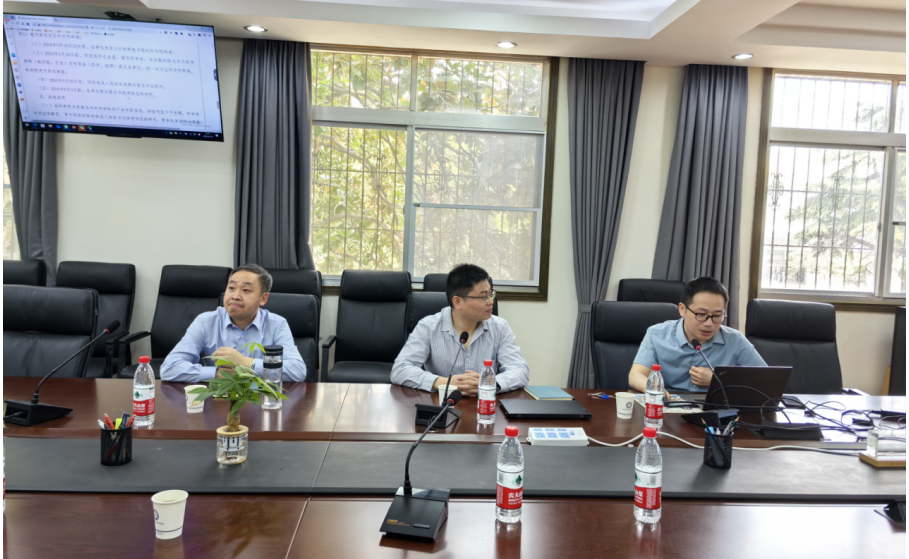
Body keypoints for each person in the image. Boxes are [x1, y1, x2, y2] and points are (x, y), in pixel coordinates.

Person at [391, 264, 529, 396]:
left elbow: (520, 370)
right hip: (440, 404)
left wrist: (489, 383)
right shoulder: (428, 327)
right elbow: (400, 369)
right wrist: (445, 383)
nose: (491, 301)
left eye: (491, 293)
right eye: (483, 296)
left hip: (484, 404)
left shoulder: (500, 327)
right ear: (457, 302)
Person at [161, 264, 306, 383]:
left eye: (246, 290)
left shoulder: (277, 324)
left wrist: (246, 363)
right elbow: (169, 368)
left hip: (262, 399)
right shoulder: (205, 322)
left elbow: (297, 371)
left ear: (263, 298)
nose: (235, 296)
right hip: (218, 400)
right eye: (231, 288)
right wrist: (218, 373)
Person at [628, 277, 766, 394]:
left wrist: (718, 380)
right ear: (682, 309)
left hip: (715, 411)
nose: (709, 323)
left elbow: (765, 381)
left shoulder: (735, 340)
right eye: (701, 314)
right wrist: (655, 390)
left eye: (717, 315)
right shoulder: (657, 334)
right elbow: (636, 375)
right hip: (668, 406)